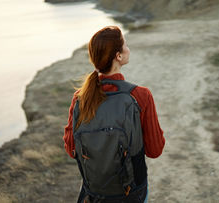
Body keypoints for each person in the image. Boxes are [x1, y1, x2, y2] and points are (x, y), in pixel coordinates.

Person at [63, 26, 165, 202]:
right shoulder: (140, 95)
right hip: (132, 194)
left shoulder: (80, 97)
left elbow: (71, 149)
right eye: (125, 44)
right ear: (118, 56)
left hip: (94, 194)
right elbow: (155, 150)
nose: (128, 49)